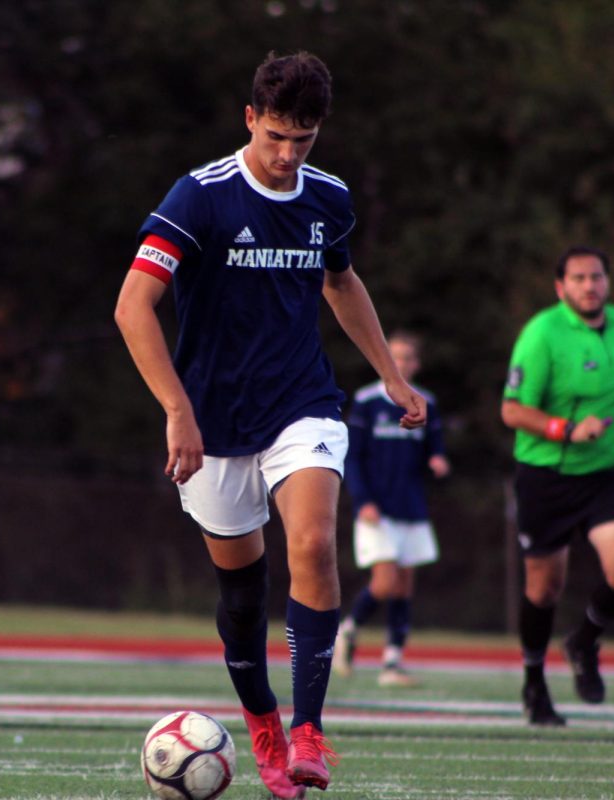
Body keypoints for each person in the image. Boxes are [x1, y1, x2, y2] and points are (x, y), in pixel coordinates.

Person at [114, 51, 426, 794]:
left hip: (302, 404)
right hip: (213, 424)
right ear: (250, 118)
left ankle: (311, 732)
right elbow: (132, 306)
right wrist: (178, 409)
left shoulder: (328, 198)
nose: (289, 156)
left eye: (305, 140)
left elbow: (341, 282)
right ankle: (263, 726)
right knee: (242, 597)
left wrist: (389, 373)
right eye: (277, 136)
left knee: (315, 544)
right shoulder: (200, 197)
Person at [501, 245, 614, 726]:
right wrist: (565, 430)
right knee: (544, 589)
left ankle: (583, 640)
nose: (590, 286)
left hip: (610, 473)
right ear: (560, 286)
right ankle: (534, 683)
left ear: (608, 282)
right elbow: (511, 410)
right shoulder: (542, 334)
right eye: (579, 278)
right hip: (549, 475)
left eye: (597, 277)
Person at [333, 332, 448, 687]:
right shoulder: (367, 401)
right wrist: (362, 500)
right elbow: (353, 457)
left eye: (408, 358)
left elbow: (434, 444)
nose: (402, 364)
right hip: (376, 509)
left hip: (410, 506)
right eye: (394, 356)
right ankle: (347, 631)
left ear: (417, 363)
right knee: (384, 582)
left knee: (405, 586)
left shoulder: (425, 401)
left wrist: (438, 460)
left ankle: (392, 663)